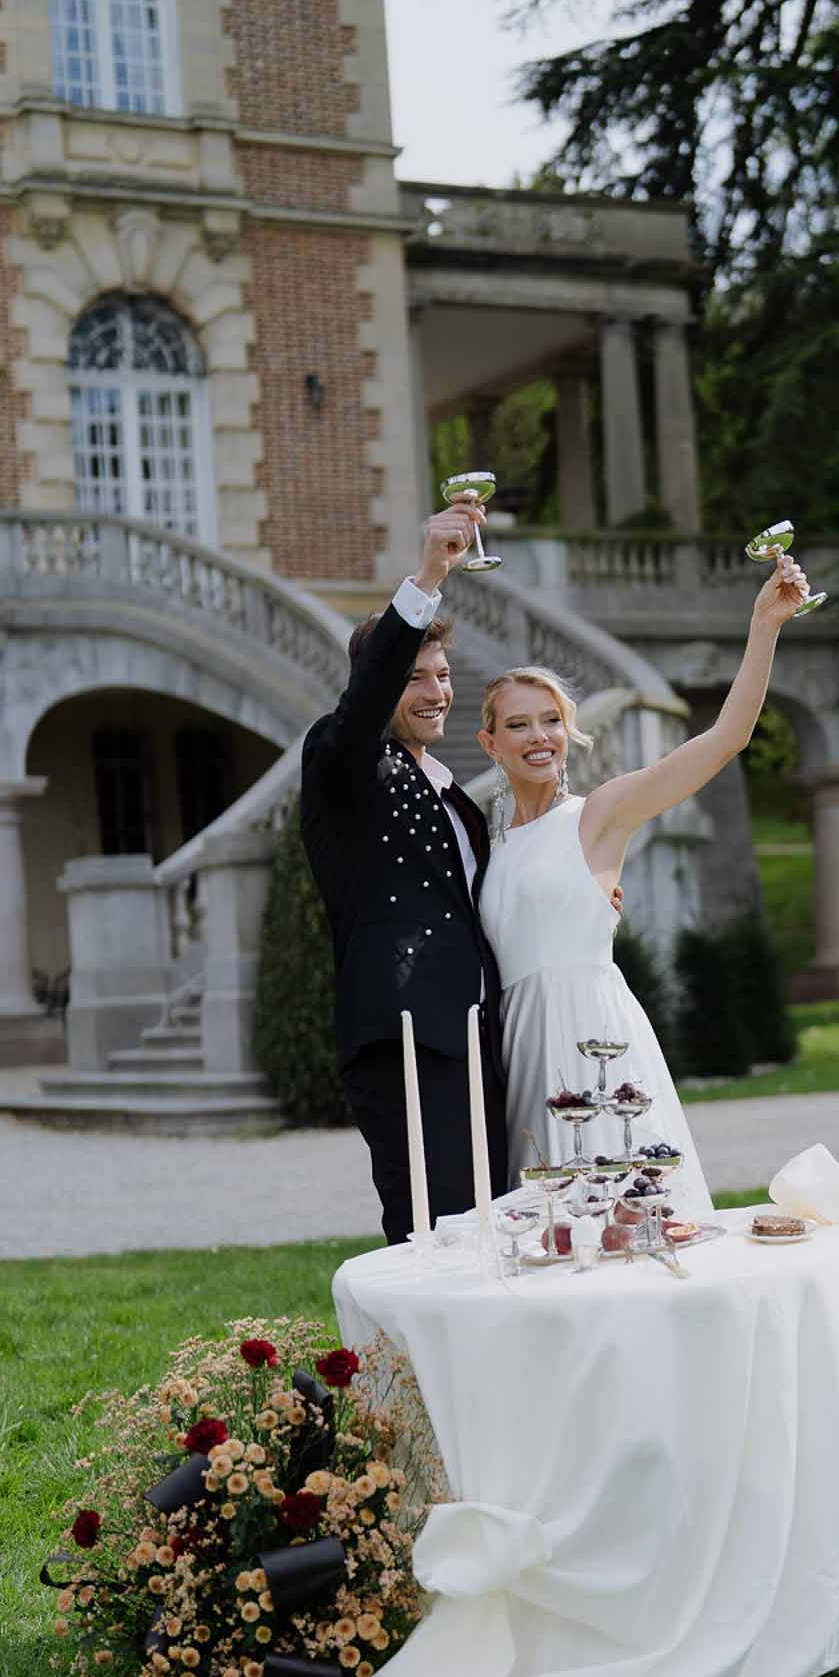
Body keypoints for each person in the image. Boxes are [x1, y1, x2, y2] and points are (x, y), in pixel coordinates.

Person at [477, 552, 811, 1211]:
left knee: (620, 1212)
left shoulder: (598, 815)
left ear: (569, 733)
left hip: (591, 1035)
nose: (537, 736)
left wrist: (764, 626)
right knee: (540, 1220)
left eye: (550, 721)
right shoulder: (487, 848)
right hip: (515, 1041)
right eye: (517, 724)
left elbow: (724, 740)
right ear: (490, 744)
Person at [300, 503, 509, 1244]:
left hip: (474, 1033)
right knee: (435, 1232)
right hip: (405, 1036)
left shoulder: (444, 783)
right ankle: (406, 1364)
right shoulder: (344, 759)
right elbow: (358, 713)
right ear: (377, 684)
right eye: (414, 676)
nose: (436, 692)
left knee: (494, 1223)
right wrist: (428, 576)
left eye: (444, 675)